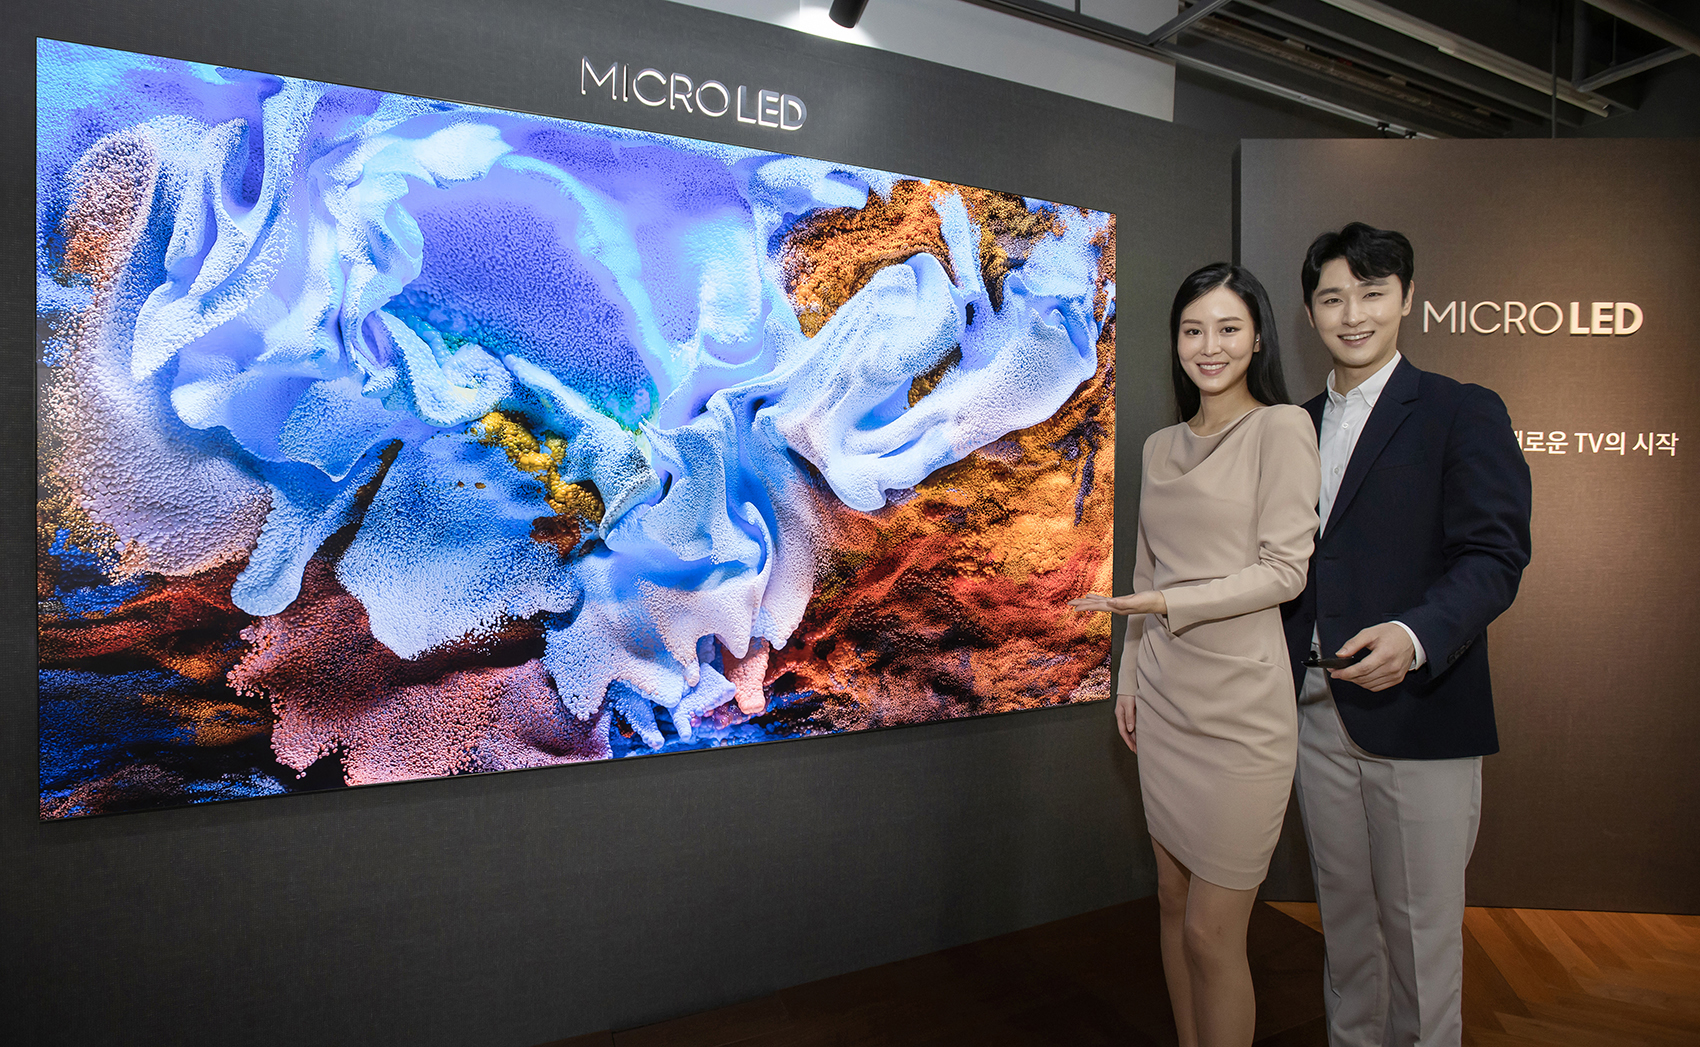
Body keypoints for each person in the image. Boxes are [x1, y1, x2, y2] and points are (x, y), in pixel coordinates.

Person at [1281, 223, 1532, 1047]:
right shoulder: (1290, 426)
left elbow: (1495, 555)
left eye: (1372, 293)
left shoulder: (1462, 410)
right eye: (1333, 298)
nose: (1352, 314)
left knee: (1422, 941)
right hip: (1314, 714)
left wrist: (1414, 634)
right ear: (1310, 312)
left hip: (1420, 710)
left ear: (1407, 298)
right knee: (1346, 929)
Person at [1071, 263, 1320, 1047]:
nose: (1209, 346)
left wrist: (1170, 604)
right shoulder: (1159, 445)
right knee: (1171, 902)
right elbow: (1145, 572)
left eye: (1228, 328)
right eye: (1193, 330)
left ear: (1258, 339)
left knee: (1215, 934)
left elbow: (1286, 571)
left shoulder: (1282, 429)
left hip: (1242, 713)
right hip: (1165, 702)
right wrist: (1128, 677)